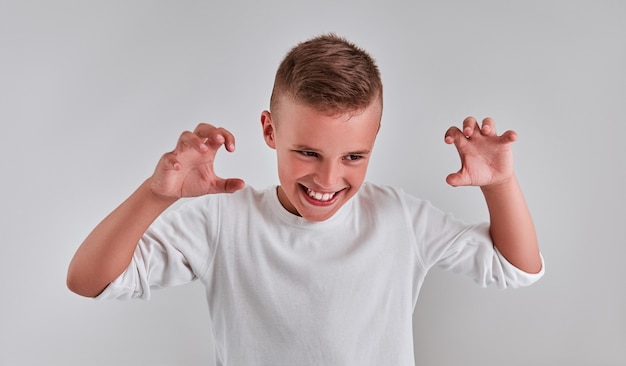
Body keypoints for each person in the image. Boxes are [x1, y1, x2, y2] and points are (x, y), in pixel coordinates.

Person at [67, 33, 544, 365]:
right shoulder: (223, 222)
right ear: (270, 131)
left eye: (354, 156)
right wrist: (156, 195)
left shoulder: (399, 218)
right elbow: (88, 280)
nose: (329, 177)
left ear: (375, 138)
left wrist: (499, 184)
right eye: (308, 152)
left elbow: (517, 269)